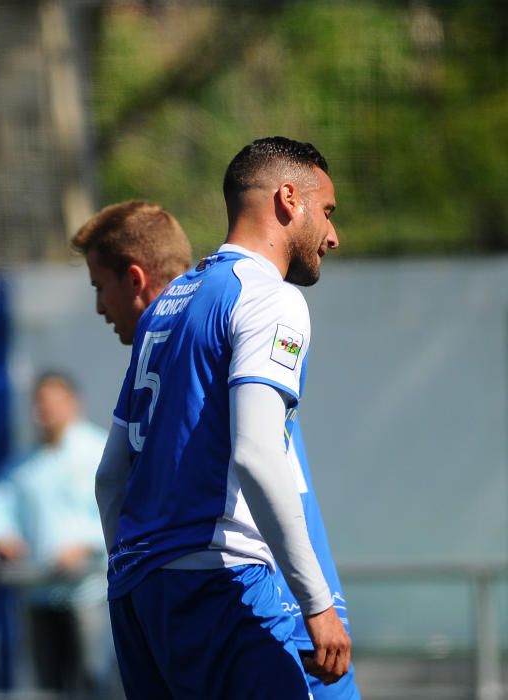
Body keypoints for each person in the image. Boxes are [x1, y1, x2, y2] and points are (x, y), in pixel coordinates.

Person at [80, 138, 352, 699]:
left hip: (139, 596)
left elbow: (112, 473)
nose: (332, 236)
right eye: (326, 212)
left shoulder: (169, 302)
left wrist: (132, 572)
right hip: (221, 588)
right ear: (287, 199)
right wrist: (318, 604)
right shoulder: (267, 298)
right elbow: (256, 453)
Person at [0, 371, 114, 697]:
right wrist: (3, 537)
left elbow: (122, 510)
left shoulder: (98, 450)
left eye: (54, 402)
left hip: (89, 592)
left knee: (91, 680)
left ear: (73, 403)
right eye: (40, 403)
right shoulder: (24, 463)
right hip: (39, 591)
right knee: (47, 685)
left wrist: (85, 546)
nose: (46, 410)